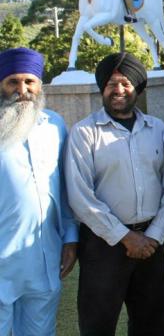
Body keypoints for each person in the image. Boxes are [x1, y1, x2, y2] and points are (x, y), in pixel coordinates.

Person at [65, 52, 164, 335]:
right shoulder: (85, 133)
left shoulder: (157, 129)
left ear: (138, 88)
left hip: (151, 242)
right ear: (102, 88)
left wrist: (153, 236)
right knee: (98, 324)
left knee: (153, 322)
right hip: (104, 244)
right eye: (111, 84)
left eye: (126, 84)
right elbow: (81, 196)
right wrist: (125, 237)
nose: (118, 90)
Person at [0, 48, 79, 335]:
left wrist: (70, 238)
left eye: (29, 82)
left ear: (39, 86)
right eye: (13, 82)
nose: (22, 90)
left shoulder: (54, 125)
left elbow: (63, 187)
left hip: (44, 258)